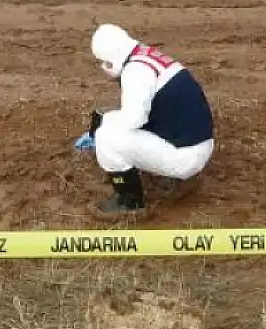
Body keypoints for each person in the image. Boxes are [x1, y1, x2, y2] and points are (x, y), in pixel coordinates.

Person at [77, 24, 216, 217]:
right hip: (197, 142)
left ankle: (129, 204)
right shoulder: (147, 57)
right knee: (112, 123)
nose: (103, 67)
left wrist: (101, 127)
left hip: (186, 156)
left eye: (104, 63)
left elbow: (134, 119)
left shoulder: (135, 72)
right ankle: (172, 176)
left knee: (106, 138)